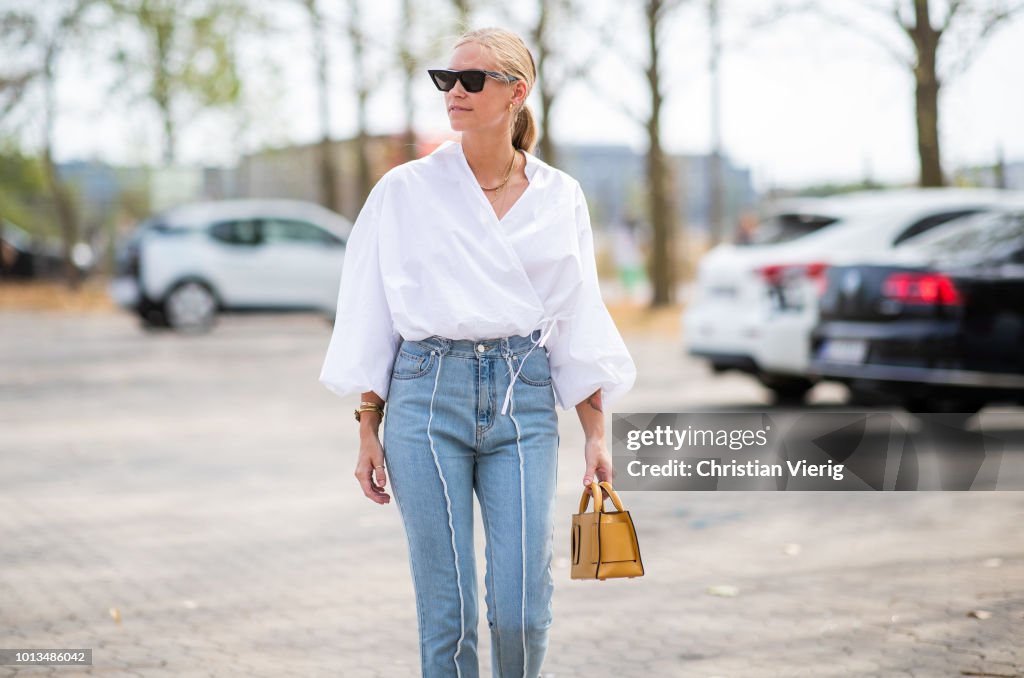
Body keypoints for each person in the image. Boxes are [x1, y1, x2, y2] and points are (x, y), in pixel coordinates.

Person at [318, 26, 636, 678]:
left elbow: (579, 317)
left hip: (524, 397)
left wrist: (597, 434)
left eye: (472, 80)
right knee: (448, 613)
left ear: (517, 93)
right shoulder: (405, 190)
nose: (454, 92)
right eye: (446, 80)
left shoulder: (559, 195)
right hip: (424, 398)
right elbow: (372, 313)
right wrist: (367, 426)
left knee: (522, 608)